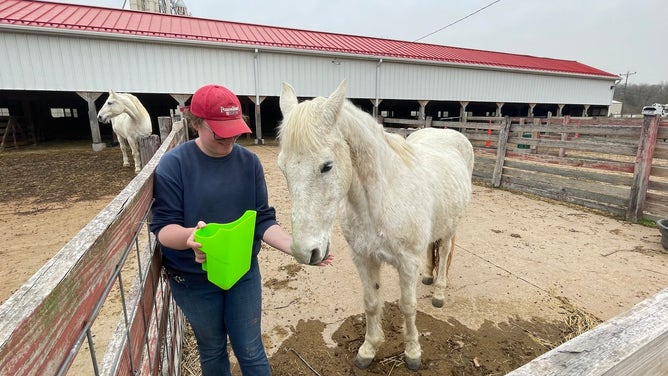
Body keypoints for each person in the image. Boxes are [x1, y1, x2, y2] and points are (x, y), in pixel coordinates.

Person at [150, 84, 333, 375]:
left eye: (234, 128)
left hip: (242, 271)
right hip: (193, 277)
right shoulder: (175, 165)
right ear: (197, 123)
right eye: (220, 131)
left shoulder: (249, 163)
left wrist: (295, 247)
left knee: (250, 348)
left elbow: (262, 219)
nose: (231, 138)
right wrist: (190, 237)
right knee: (211, 350)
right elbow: (163, 229)